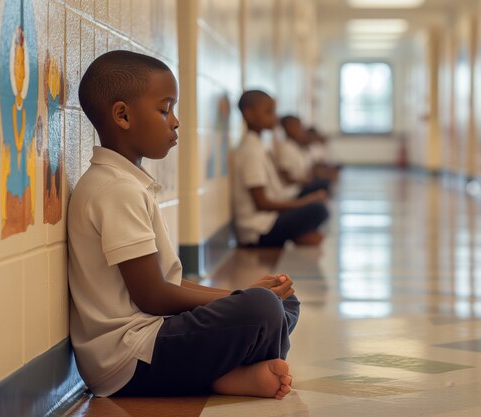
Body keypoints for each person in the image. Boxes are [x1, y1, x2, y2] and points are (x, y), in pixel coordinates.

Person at [68, 50, 299, 399]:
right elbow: (154, 296)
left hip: (153, 336)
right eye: (165, 109)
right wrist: (242, 297)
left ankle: (226, 372)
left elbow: (166, 284)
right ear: (123, 115)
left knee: (284, 303)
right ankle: (226, 372)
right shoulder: (115, 189)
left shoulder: (126, 183)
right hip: (128, 358)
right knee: (262, 308)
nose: (175, 121)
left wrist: (246, 295)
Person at [232, 90, 329, 248]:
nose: (274, 117)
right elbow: (262, 203)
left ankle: (300, 234)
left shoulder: (259, 146)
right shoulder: (251, 151)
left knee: (317, 204)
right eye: (268, 112)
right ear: (249, 114)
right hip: (258, 231)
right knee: (318, 210)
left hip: (268, 220)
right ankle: (299, 235)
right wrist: (304, 202)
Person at [275, 115, 330, 197]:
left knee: (323, 182)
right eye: (299, 126)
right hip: (293, 192)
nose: (301, 129)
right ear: (289, 128)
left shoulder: (294, 146)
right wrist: (305, 181)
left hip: (300, 186)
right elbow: (285, 176)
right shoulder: (285, 147)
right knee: (322, 187)